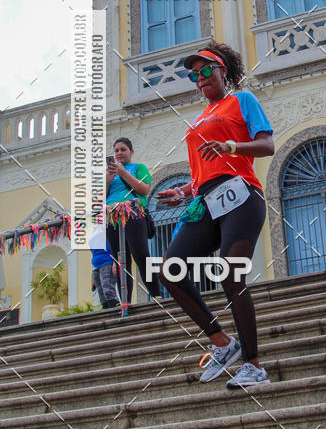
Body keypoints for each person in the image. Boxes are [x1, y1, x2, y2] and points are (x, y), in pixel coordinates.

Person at [156, 43, 274, 389]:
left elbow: (267, 145)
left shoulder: (242, 100)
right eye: (194, 75)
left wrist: (232, 147)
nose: (200, 78)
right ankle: (222, 342)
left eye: (206, 70)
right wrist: (182, 192)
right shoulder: (196, 121)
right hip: (206, 202)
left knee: (230, 273)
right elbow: (201, 177)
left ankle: (254, 366)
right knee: (170, 269)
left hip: (241, 195)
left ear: (223, 71)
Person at [105, 137, 161, 304]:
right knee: (120, 259)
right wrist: (107, 180)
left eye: (123, 149)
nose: (119, 153)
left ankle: (156, 294)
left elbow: (144, 190)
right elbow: (100, 199)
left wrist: (123, 173)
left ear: (131, 151)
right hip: (112, 216)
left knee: (140, 253)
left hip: (133, 213)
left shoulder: (138, 167)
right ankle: (125, 301)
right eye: (116, 150)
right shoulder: (110, 174)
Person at [89, 227, 119, 309]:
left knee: (108, 291)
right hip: (96, 266)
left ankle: (116, 311)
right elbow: (93, 253)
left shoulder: (107, 226)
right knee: (102, 296)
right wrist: (92, 274)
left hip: (107, 262)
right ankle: (108, 313)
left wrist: (115, 262)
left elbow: (116, 245)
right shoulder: (93, 231)